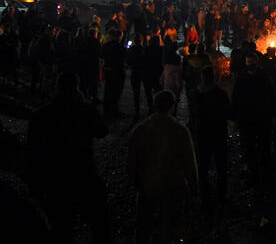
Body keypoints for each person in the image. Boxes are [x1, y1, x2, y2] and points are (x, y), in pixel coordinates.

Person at [27, 73, 111, 243]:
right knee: (98, 223)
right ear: (76, 87)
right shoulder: (86, 110)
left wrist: (35, 184)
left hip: (55, 176)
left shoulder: (42, 114)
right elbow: (102, 131)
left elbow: (33, 150)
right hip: (83, 171)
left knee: (61, 227)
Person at [127, 90, 199, 244]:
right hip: (172, 186)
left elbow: (131, 161)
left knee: (144, 227)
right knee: (168, 228)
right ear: (172, 106)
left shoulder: (141, 130)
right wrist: (193, 188)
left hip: (147, 186)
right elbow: (189, 162)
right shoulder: (180, 130)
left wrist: (135, 182)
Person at [232, 51, 276, 185]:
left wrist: (272, 115)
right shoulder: (241, 78)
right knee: (249, 148)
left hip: (262, 118)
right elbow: (235, 98)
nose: (250, 65)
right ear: (246, 63)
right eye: (248, 63)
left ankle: (266, 175)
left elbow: (271, 97)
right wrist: (235, 118)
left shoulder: (264, 77)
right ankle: (254, 174)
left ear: (257, 63)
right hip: (247, 119)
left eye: (252, 63)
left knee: (264, 147)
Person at [194, 65, 231, 203]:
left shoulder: (196, 94)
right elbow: (228, 112)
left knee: (203, 164)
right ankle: (222, 193)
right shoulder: (221, 94)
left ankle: (204, 193)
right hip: (218, 133)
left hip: (203, 133)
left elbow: (194, 114)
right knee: (221, 164)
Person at [101, 28, 127, 117]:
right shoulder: (120, 47)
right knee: (116, 91)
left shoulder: (106, 45)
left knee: (108, 90)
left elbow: (102, 56)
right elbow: (125, 58)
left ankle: (106, 108)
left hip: (109, 69)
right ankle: (114, 109)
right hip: (118, 70)